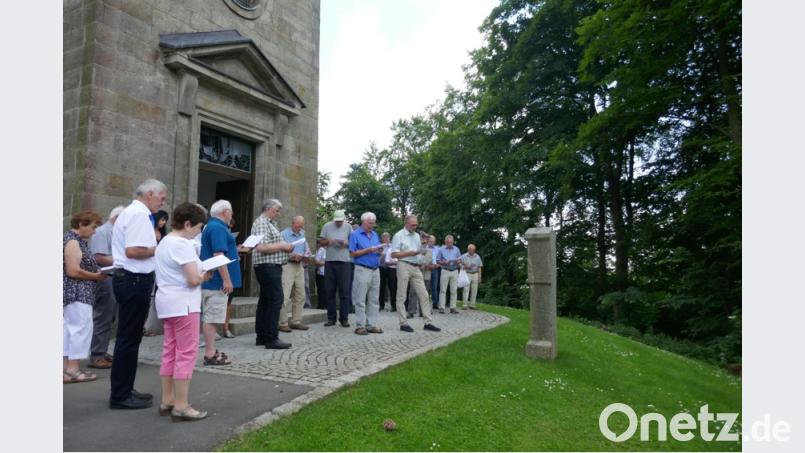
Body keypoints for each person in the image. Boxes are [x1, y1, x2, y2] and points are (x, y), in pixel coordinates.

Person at [109, 178, 167, 410]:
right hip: (134, 279)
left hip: (130, 279)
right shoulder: (139, 214)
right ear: (150, 193)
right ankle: (121, 395)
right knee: (128, 339)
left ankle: (124, 389)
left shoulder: (132, 212)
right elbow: (133, 251)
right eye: (162, 197)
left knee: (130, 338)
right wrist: (161, 248)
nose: (162, 202)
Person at [154, 202, 211, 421]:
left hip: (167, 302)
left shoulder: (165, 241)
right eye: (197, 228)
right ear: (187, 224)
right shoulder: (183, 245)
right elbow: (193, 279)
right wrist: (206, 275)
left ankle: (167, 399)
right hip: (184, 304)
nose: (198, 232)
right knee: (186, 353)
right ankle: (181, 405)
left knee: (170, 350)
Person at [63, 210, 106, 384]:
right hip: (78, 292)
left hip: (75, 292)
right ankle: (73, 369)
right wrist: (95, 276)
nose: (94, 231)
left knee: (69, 330)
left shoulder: (73, 240)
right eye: (93, 227)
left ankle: (66, 369)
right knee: (80, 329)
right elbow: (73, 270)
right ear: (81, 224)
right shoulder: (73, 241)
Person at [199, 200, 241, 366]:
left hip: (214, 281)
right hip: (216, 282)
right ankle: (210, 354)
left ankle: (211, 350)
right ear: (225, 212)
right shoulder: (217, 227)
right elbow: (218, 255)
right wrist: (226, 278)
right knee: (212, 317)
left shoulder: (213, 226)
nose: (231, 215)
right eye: (230, 212)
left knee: (212, 316)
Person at [250, 199, 294, 349]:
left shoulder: (269, 223)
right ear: (268, 209)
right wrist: (283, 245)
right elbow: (261, 247)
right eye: (276, 210)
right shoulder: (262, 222)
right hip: (267, 266)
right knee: (276, 299)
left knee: (266, 301)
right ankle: (271, 338)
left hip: (270, 266)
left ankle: (262, 336)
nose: (278, 213)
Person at [87, 205, 124, 370]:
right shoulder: (102, 232)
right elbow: (99, 257)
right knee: (103, 317)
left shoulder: (114, 231)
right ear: (116, 218)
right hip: (104, 278)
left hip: (113, 277)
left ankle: (101, 351)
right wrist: (124, 258)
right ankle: (96, 355)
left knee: (109, 318)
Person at [390, 215, 441, 333]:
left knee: (424, 294)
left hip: (416, 267)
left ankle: (428, 322)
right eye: (413, 225)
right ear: (406, 223)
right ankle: (403, 323)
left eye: (416, 224)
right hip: (403, 265)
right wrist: (410, 253)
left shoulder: (417, 236)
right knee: (401, 295)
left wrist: (424, 245)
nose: (415, 226)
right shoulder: (398, 235)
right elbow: (394, 255)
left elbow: (420, 252)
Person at [348, 212, 384, 335]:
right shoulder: (355, 234)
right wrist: (368, 250)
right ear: (363, 222)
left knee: (374, 299)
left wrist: (380, 251)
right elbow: (352, 253)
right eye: (370, 223)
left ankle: (371, 324)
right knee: (360, 298)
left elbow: (377, 250)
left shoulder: (374, 234)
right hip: (362, 269)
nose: (372, 225)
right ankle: (360, 325)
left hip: (375, 269)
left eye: (373, 223)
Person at [320, 210, 353, 327]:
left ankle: (344, 318)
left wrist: (346, 243)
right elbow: (321, 242)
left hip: (345, 262)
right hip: (330, 262)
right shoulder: (327, 226)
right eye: (336, 221)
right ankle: (331, 318)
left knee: (344, 291)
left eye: (340, 221)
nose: (338, 223)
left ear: (343, 219)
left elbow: (354, 244)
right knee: (330, 291)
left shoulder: (348, 227)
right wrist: (329, 241)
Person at [279, 215, 311, 332]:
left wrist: (307, 254)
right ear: (293, 223)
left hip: (299, 266)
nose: (301, 227)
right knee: (285, 295)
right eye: (299, 225)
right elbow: (279, 251)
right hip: (287, 265)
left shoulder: (302, 234)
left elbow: (306, 249)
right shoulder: (283, 234)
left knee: (300, 294)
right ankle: (282, 323)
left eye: (302, 225)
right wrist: (291, 255)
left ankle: (296, 321)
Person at [144, 209, 170, 337]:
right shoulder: (148, 231)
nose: (163, 223)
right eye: (162, 219)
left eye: (165, 221)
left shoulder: (163, 234)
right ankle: (146, 326)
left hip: (159, 266)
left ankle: (153, 325)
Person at [436, 234, 462, 314]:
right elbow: (437, 261)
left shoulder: (456, 249)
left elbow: (460, 260)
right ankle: (442, 307)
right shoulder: (441, 249)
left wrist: (458, 262)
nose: (450, 244)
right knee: (443, 290)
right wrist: (444, 262)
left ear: (453, 242)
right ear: (445, 242)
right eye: (448, 242)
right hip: (445, 270)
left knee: (454, 290)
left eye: (451, 242)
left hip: (454, 271)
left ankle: (453, 307)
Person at [378, 232, 398, 312]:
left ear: (390, 238)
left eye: (387, 237)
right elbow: (377, 257)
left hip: (391, 268)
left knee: (392, 287)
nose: (386, 239)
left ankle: (393, 305)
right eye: (384, 237)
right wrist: (381, 255)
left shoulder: (393, 246)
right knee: (381, 287)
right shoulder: (379, 246)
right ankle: (381, 305)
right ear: (382, 239)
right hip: (381, 268)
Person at [460, 244, 483, 309]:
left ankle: (472, 304)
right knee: (466, 289)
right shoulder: (464, 256)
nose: (472, 251)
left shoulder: (477, 257)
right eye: (470, 250)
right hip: (467, 273)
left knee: (474, 290)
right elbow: (458, 263)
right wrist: (464, 266)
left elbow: (479, 267)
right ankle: (465, 304)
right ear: (468, 249)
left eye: (473, 250)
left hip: (475, 274)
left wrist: (480, 277)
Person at [313, 237, 327, 309]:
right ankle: (321, 306)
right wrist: (326, 263)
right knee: (322, 291)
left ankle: (325, 306)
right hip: (321, 274)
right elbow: (316, 261)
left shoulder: (330, 250)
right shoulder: (321, 250)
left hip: (328, 274)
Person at [428, 235, 440, 310]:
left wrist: (438, 265)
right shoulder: (425, 248)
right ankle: (424, 303)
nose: (432, 243)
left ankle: (435, 303)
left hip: (435, 269)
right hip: (426, 268)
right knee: (425, 287)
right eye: (430, 241)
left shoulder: (438, 249)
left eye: (433, 241)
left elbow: (440, 259)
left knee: (434, 287)